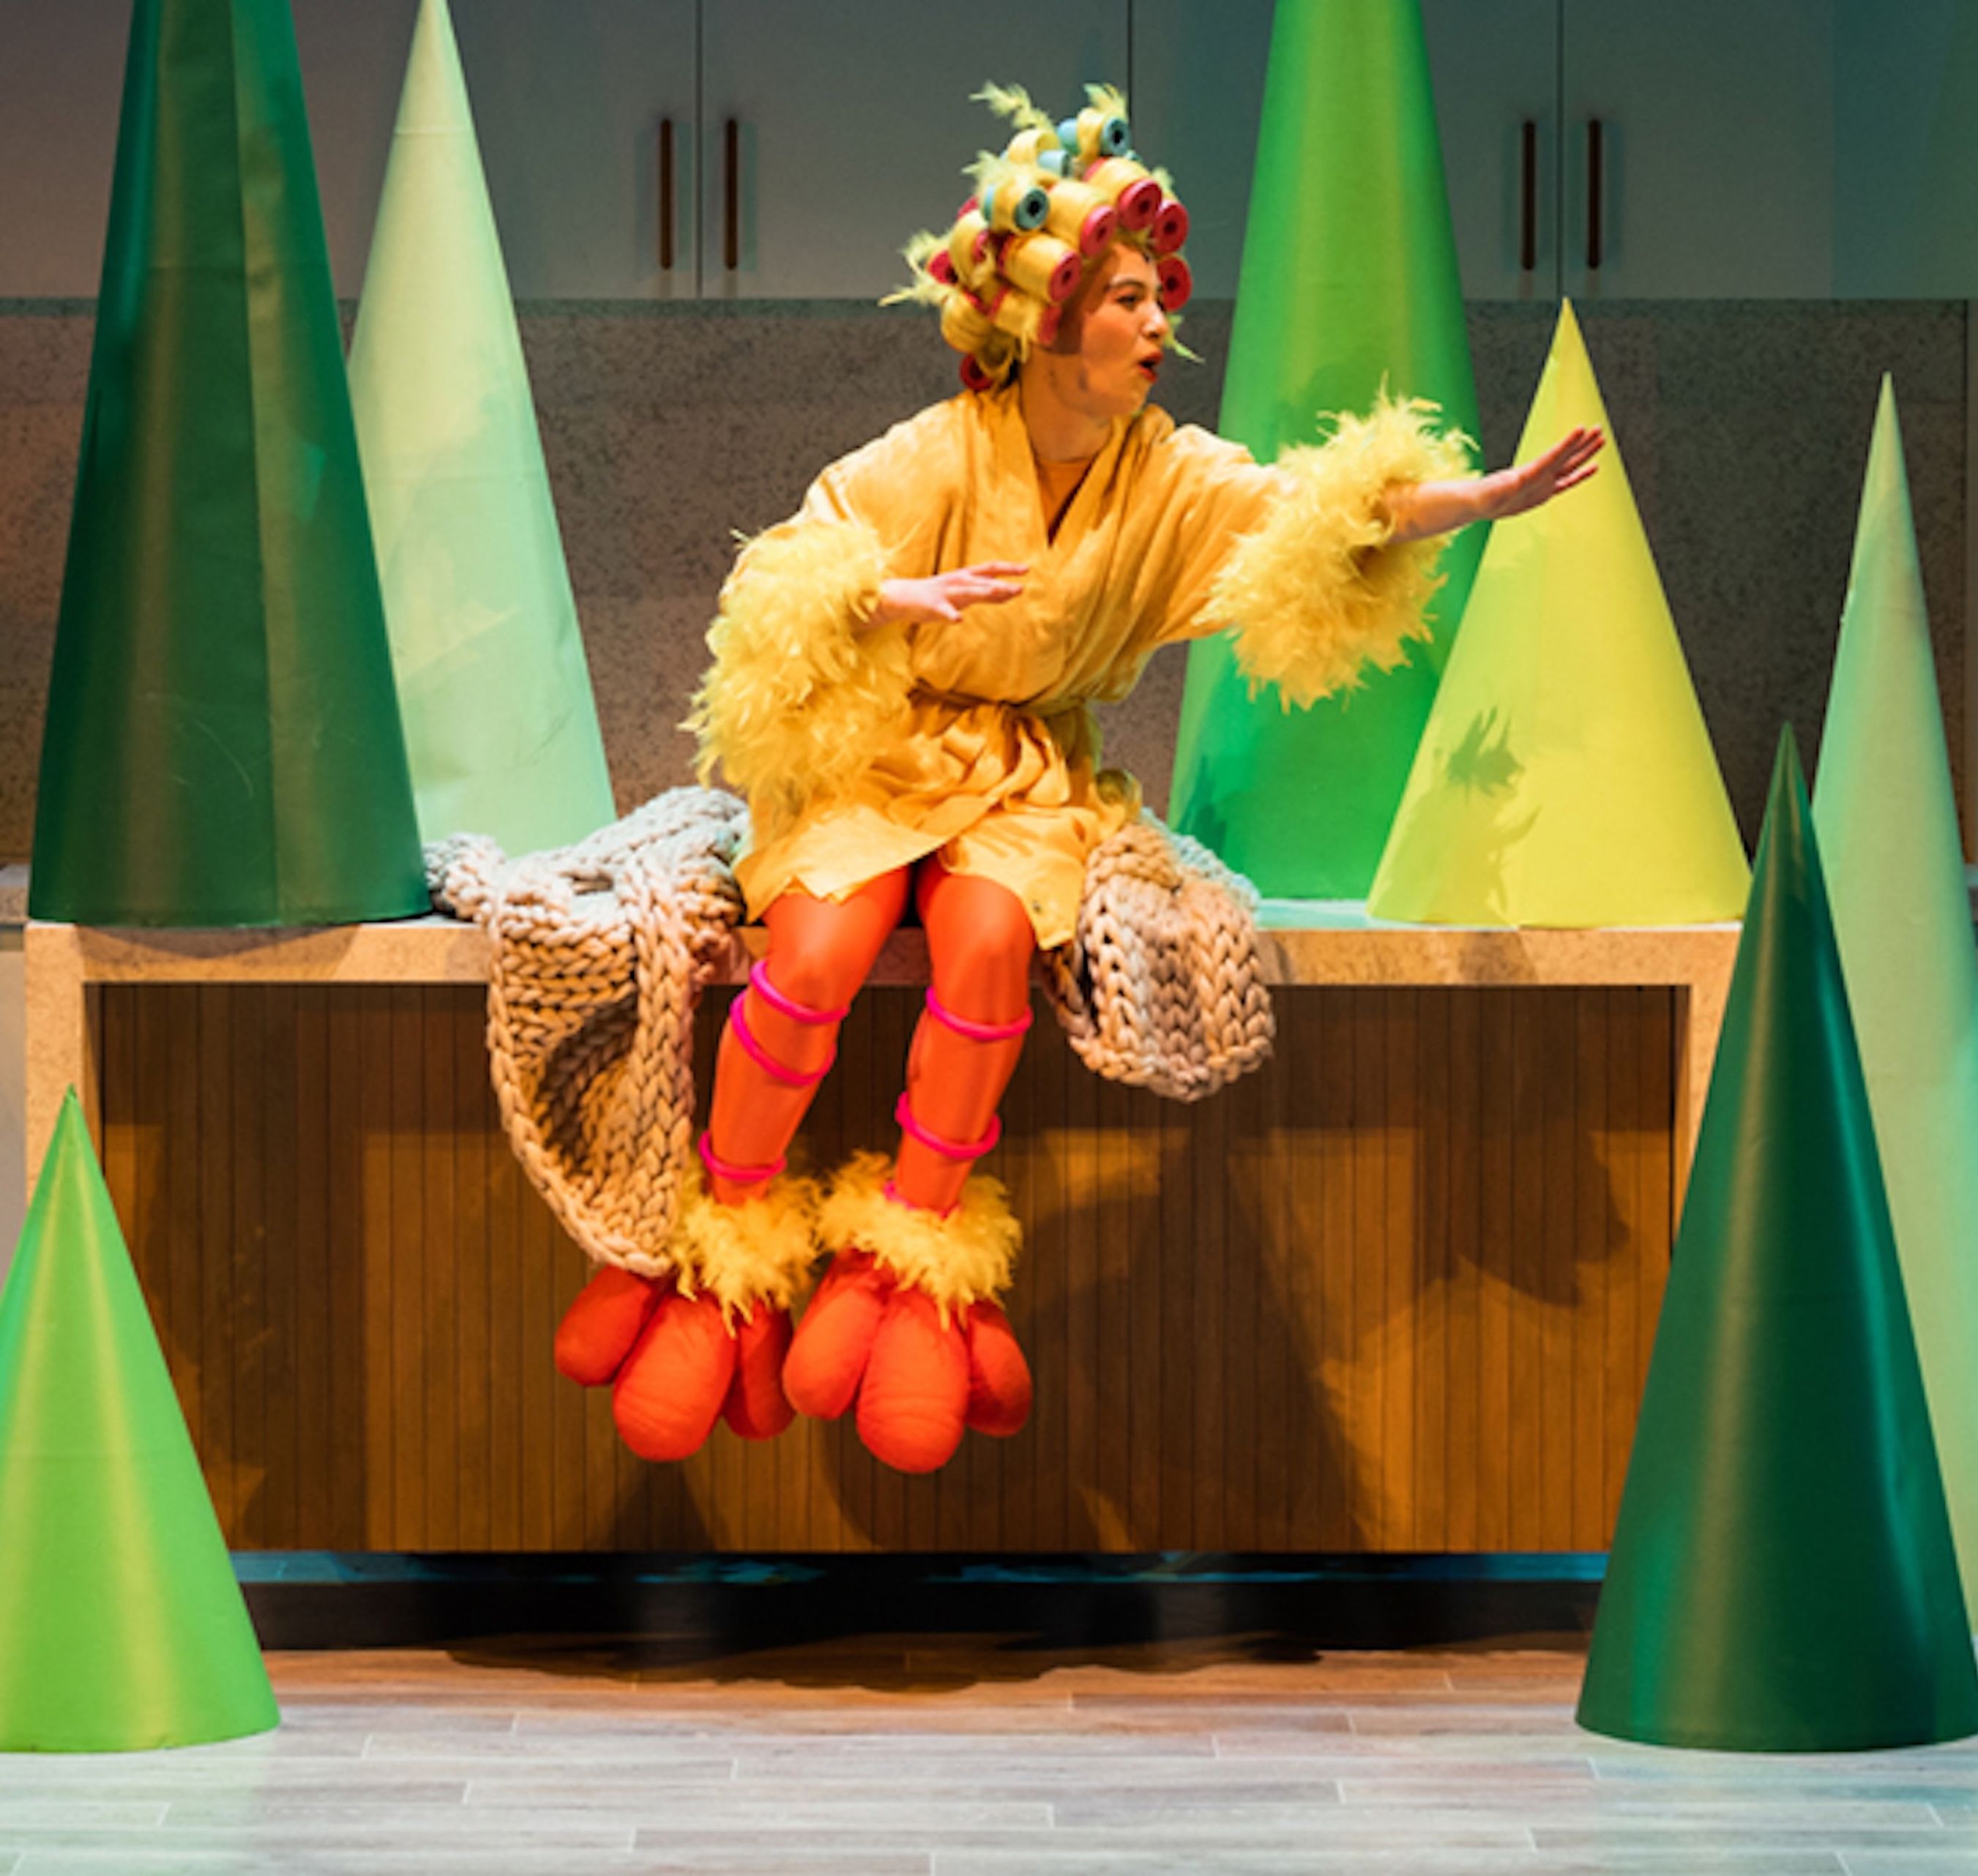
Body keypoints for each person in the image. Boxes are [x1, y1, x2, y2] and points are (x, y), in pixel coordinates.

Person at [549, 83, 1603, 1472]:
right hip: (878, 759)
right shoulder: (935, 451)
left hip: (1023, 778)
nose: (1160, 321)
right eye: (1125, 296)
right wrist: (887, 601)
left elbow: (1307, 510)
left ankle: (910, 1272)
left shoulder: (1166, 474)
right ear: (1049, 321)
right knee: (814, 947)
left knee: (987, 945)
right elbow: (778, 580)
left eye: (1160, 294)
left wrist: (1468, 501)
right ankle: (719, 1251)